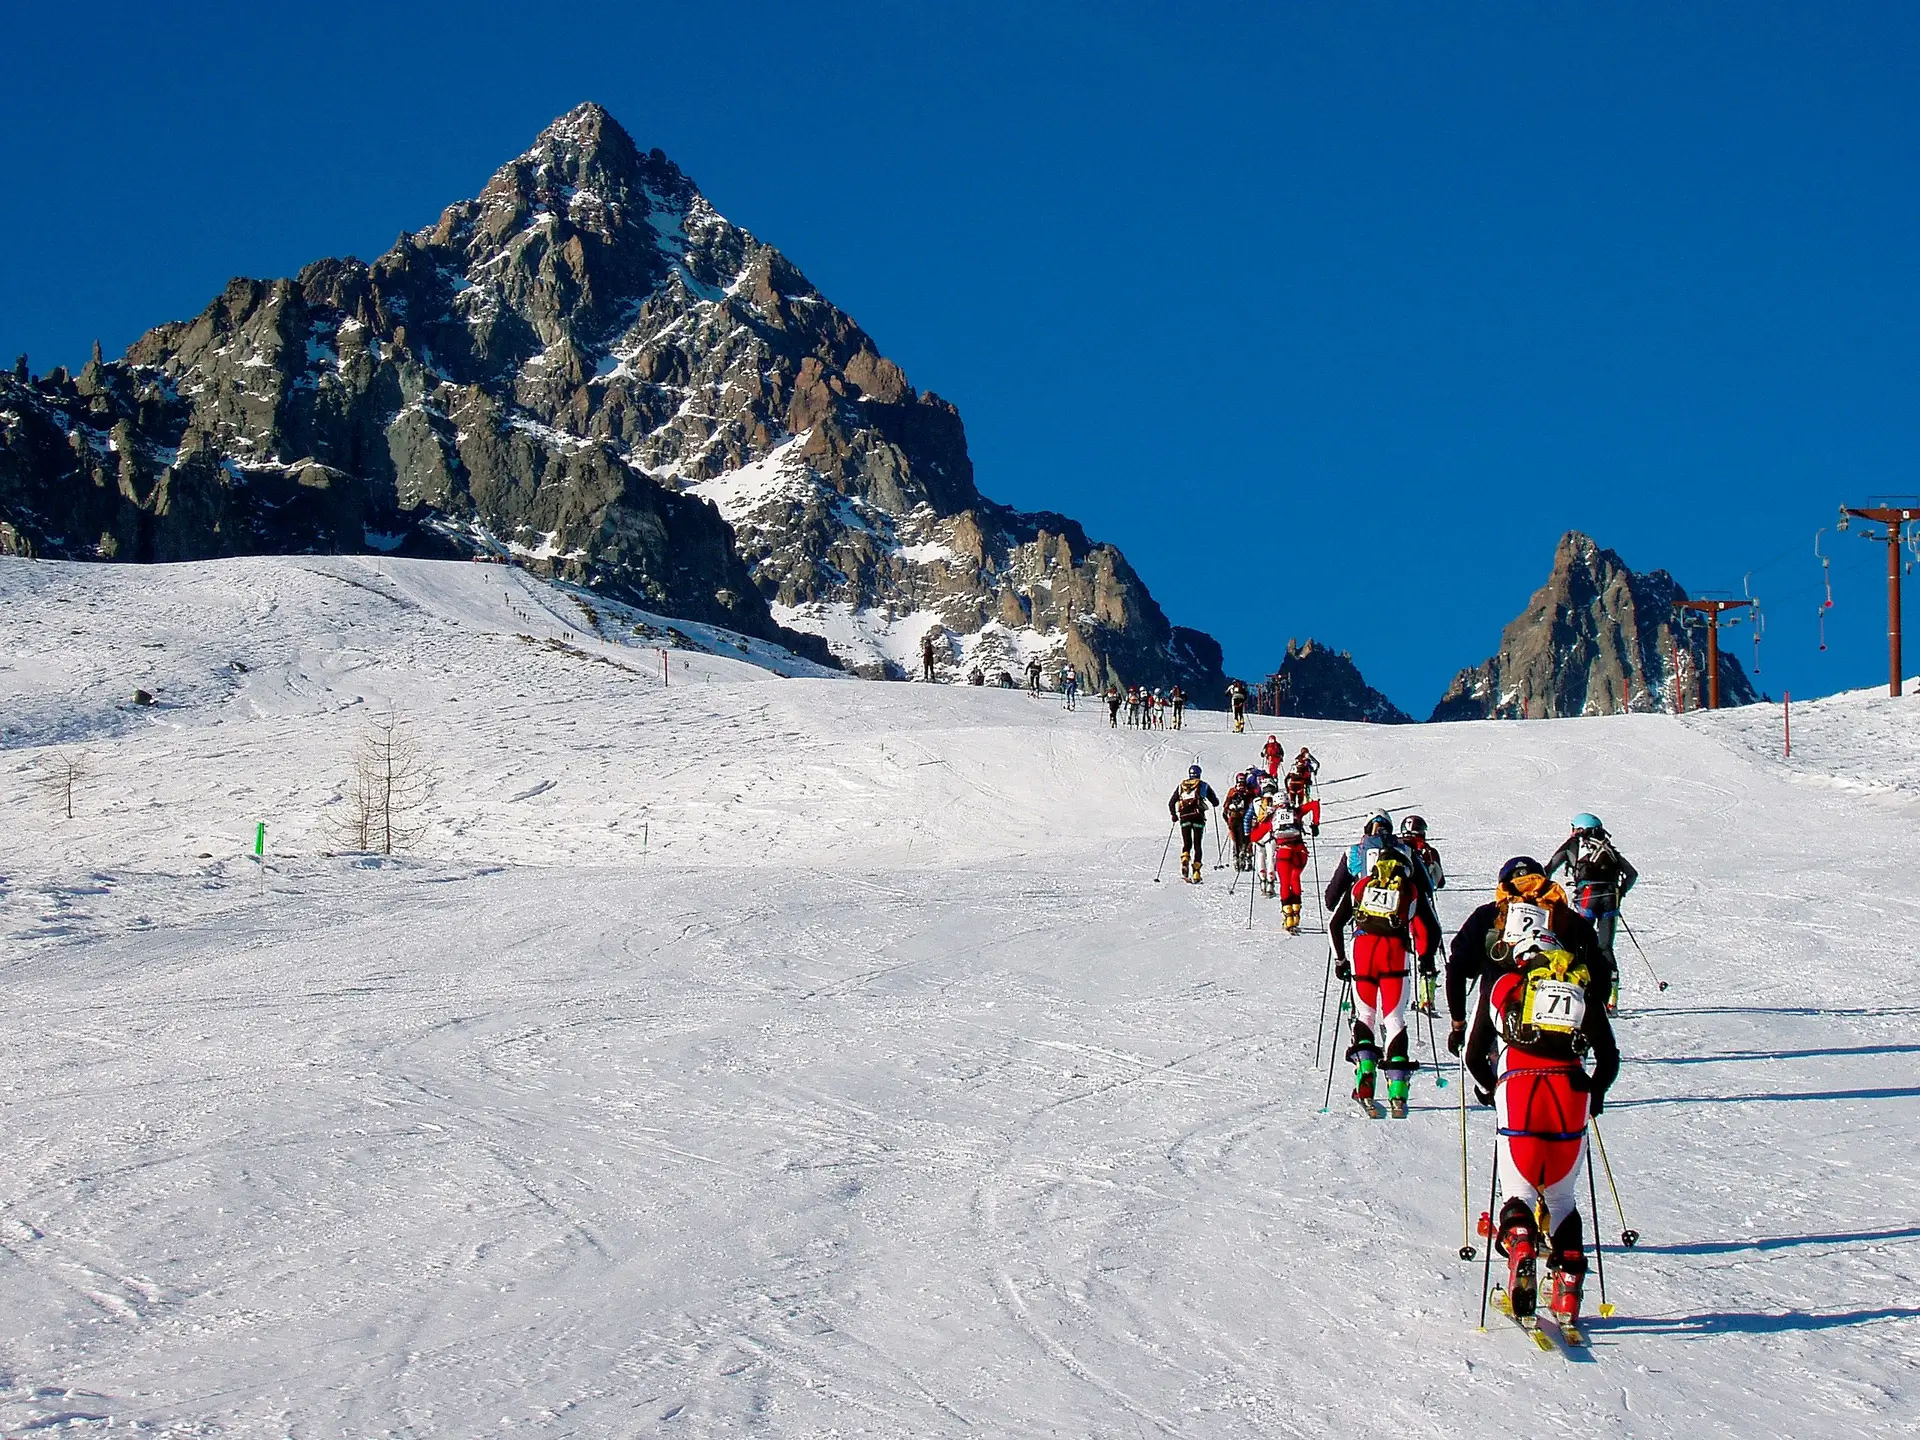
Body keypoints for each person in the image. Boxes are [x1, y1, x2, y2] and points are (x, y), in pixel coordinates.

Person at [1465, 924, 1619, 1328]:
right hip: (1571, 1093)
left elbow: (1475, 1053)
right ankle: (1567, 1287)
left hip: (1518, 1088)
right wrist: (1594, 1097)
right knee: (1562, 1198)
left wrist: (1489, 1087)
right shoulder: (1579, 989)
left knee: (1517, 1190)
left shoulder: (1504, 987)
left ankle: (1520, 1244)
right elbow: (1608, 1056)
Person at [1326, 813, 1441, 1118]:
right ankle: (1398, 1092)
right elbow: (1432, 924)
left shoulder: (1362, 883)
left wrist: (1340, 959)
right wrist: (1426, 958)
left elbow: (1334, 920)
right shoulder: (1409, 882)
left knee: (1365, 1012)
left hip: (1363, 947)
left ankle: (1365, 1075)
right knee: (1395, 1018)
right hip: (1396, 951)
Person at [1444, 857, 1609, 1058]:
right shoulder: (1570, 920)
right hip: (1559, 1021)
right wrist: (1594, 1026)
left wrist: (1458, 1024)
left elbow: (1456, 969)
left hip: (1498, 1007)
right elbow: (1600, 970)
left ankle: (1491, 1086)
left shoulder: (1486, 915)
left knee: (1475, 1060)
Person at [1545, 815, 1638, 1010]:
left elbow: (1550, 868)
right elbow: (1631, 874)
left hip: (1586, 898)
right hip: (1610, 899)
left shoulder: (1573, 845)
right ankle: (1611, 999)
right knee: (1605, 947)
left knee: (1576, 943)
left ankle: (1572, 992)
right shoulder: (1607, 847)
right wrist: (1620, 892)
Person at [1400, 815, 1446, 1012]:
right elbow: (1439, 882)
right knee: (1427, 944)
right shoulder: (1428, 851)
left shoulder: (1397, 847)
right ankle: (1426, 996)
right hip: (1422, 904)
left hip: (1399, 902)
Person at [1167, 764, 1220, 884]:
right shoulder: (1203, 785)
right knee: (1197, 844)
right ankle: (1196, 873)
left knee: (1187, 843)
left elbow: (1171, 803)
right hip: (1198, 817)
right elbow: (1215, 802)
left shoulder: (1181, 786)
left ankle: (1185, 859)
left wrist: (1174, 815)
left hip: (1184, 817)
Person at [1221, 771, 1257, 873]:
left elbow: (1225, 806)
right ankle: (1247, 857)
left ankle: (1236, 859)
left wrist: (1227, 820)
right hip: (1246, 818)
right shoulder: (1249, 791)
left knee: (1235, 840)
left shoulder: (1232, 791)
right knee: (1247, 839)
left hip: (1233, 819)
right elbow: (1253, 804)